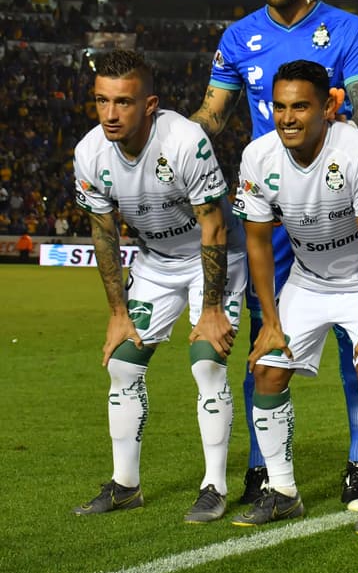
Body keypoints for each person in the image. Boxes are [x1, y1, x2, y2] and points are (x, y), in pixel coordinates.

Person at [191, 0, 358, 507]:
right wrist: (167, 138)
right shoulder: (238, 36)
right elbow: (213, 116)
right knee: (263, 336)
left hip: (335, 199)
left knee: (356, 341)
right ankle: (262, 469)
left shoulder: (346, 30)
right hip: (273, 204)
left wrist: (354, 113)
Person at [71, 50, 246, 523]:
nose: (110, 114)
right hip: (155, 263)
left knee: (207, 362)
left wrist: (211, 309)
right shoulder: (89, 152)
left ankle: (214, 486)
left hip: (214, 258)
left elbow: (215, 225)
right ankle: (125, 484)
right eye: (101, 101)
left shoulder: (185, 142)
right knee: (123, 365)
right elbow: (104, 234)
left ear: (150, 105)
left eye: (123, 102)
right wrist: (117, 313)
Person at [231, 61, 358, 534]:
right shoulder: (258, 156)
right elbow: (259, 245)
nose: (288, 118)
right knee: (267, 368)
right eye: (281, 107)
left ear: (328, 106)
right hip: (308, 280)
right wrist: (269, 321)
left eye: (301, 107)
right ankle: (283, 492)